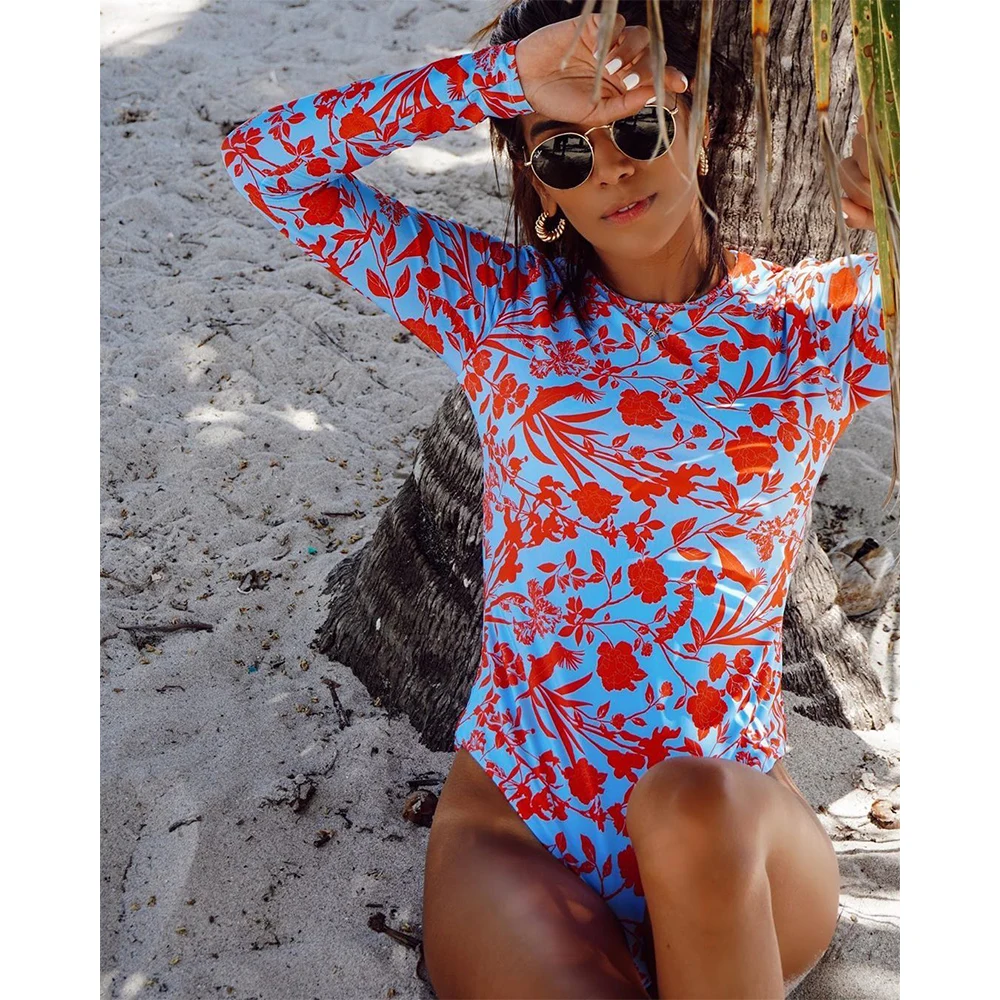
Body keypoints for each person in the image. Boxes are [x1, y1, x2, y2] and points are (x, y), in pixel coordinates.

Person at [220, 2, 888, 996]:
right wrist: (497, 79)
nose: (609, 168)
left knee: (689, 803)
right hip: (520, 827)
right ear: (537, 182)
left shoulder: (814, 326)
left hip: (736, 838)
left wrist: (912, 197)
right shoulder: (498, 306)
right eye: (564, 151)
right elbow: (267, 162)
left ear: (701, 122)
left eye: (639, 128)